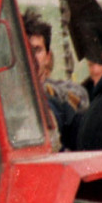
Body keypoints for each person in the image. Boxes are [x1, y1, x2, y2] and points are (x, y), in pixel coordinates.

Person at [24, 9, 87, 149]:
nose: (31, 57)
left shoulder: (67, 93)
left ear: (48, 56)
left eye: (37, 50)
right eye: (25, 49)